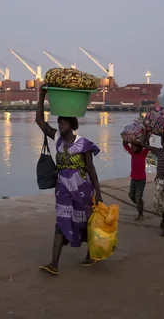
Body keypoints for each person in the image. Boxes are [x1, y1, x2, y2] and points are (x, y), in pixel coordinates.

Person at [35, 86, 103, 276]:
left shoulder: (84, 144)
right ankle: (53, 264)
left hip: (82, 189)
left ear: (72, 125)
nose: (60, 126)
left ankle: (91, 254)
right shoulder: (56, 138)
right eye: (59, 122)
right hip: (62, 189)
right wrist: (41, 96)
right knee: (61, 221)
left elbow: (91, 168)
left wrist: (98, 193)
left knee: (86, 222)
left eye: (64, 123)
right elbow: (39, 121)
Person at [122, 141, 150, 221]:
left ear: (139, 147)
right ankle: (140, 204)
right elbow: (125, 145)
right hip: (133, 178)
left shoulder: (143, 153)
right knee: (131, 195)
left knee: (137, 197)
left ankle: (140, 214)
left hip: (141, 179)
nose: (132, 148)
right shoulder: (132, 152)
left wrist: (146, 139)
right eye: (132, 146)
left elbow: (147, 146)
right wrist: (126, 140)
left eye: (134, 146)